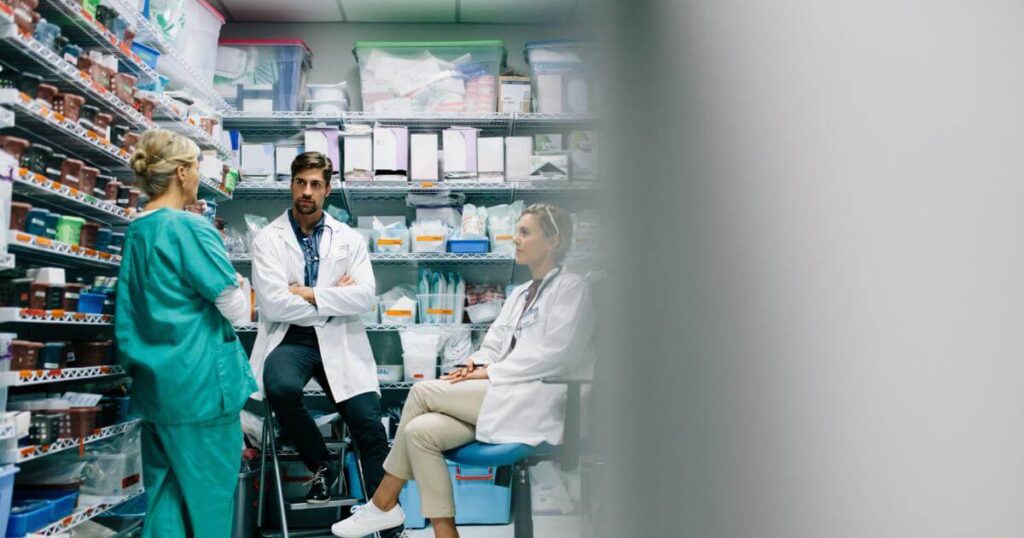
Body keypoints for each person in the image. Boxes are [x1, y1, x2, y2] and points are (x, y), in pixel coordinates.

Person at [332, 203, 595, 538]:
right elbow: (495, 343)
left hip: (539, 399)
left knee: (422, 391)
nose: (515, 239)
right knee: (419, 432)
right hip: (504, 394)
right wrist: (478, 361)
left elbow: (556, 354)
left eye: (525, 232)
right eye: (516, 231)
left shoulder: (571, 287)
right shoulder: (521, 295)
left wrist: (490, 373)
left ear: (553, 242)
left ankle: (384, 504)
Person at [249, 152, 402, 534]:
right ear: (291, 185)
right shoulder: (269, 239)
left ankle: (386, 523)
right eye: (301, 182)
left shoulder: (349, 239)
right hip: (292, 338)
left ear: (328, 190)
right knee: (280, 386)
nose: (307, 191)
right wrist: (332, 296)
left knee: (369, 425)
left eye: (316, 184)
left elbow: (365, 297)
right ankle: (322, 463)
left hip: (341, 338)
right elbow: (273, 303)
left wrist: (308, 294)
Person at [115, 129, 257, 538]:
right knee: (210, 504)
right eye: (197, 165)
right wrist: (243, 287)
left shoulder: (137, 231)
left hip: (156, 390)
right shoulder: (190, 229)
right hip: (200, 393)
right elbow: (235, 307)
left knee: (165, 501)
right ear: (181, 172)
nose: (199, 174)